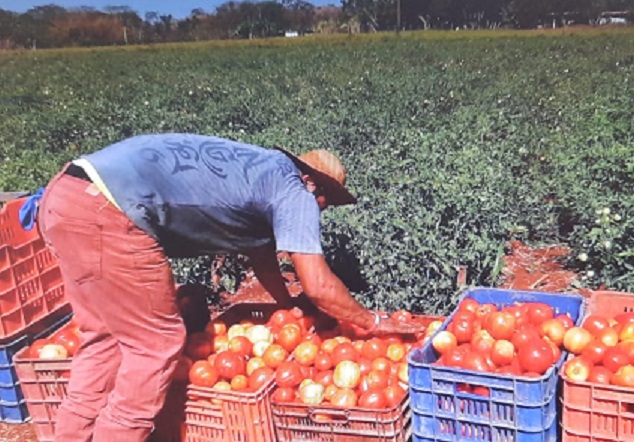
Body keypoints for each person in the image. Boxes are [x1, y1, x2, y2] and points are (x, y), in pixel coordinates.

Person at [36, 133, 422, 442]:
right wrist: (371, 322)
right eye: (326, 199)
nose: (322, 208)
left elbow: (262, 257)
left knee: (105, 339)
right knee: (155, 342)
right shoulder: (296, 190)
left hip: (65, 195)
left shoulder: (259, 172)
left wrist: (289, 307)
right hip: (112, 209)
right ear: (312, 181)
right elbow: (319, 285)